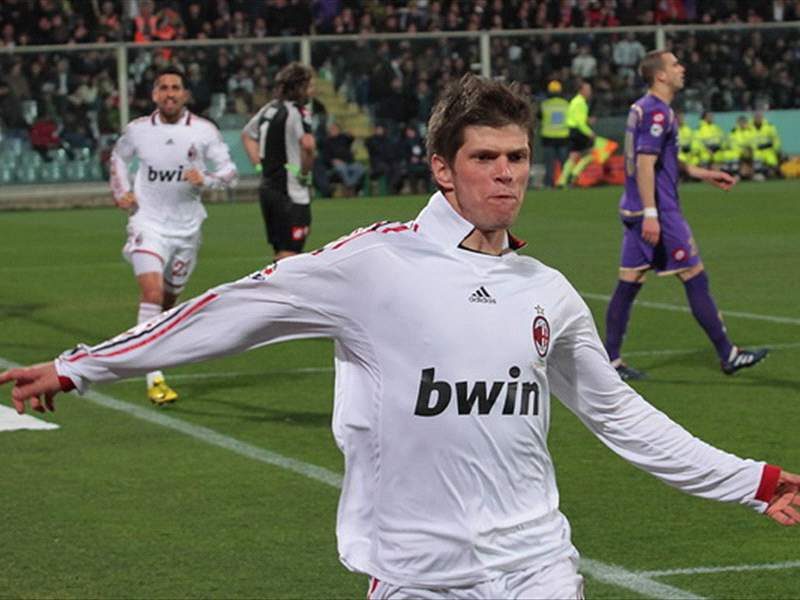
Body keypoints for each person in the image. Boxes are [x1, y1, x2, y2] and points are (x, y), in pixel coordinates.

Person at [3, 74, 799, 600]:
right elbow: (227, 312)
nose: (507, 173)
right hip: (418, 575)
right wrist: (79, 368)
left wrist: (754, 481)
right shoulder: (374, 264)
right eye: (485, 157)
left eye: (517, 157)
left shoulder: (547, 291)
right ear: (443, 169)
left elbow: (618, 415)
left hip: (539, 567)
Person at [603, 50, 768, 381]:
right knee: (694, 274)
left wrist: (703, 173)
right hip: (659, 211)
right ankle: (729, 355)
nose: (682, 68)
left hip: (634, 207)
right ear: (660, 75)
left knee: (629, 281)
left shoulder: (643, 108)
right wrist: (652, 213)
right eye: (675, 64)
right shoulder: (657, 112)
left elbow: (661, 158)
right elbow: (646, 164)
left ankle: (611, 363)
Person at [109, 66, 238, 405]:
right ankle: (154, 377)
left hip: (187, 230)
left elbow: (230, 173)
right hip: (147, 224)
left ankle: (149, 350)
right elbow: (118, 158)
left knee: (167, 304)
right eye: (163, 88)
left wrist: (206, 180)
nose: (169, 93)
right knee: (151, 293)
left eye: (175, 88)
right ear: (154, 94)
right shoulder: (138, 130)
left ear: (185, 94)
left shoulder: (204, 131)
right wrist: (121, 191)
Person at [241, 62, 316, 261]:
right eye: (309, 86)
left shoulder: (269, 109)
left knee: (281, 252)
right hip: (290, 192)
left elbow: (247, 135)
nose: (312, 91)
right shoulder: (299, 112)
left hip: (268, 188)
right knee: (291, 253)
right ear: (299, 87)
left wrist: (259, 165)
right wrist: (305, 174)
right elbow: (308, 145)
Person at [556, 80, 595, 187]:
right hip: (579, 131)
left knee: (573, 156)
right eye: (588, 89)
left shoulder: (574, 101)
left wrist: (587, 120)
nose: (590, 92)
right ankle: (575, 173)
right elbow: (580, 123)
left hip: (572, 131)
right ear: (581, 90)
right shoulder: (581, 103)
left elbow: (575, 117)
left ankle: (562, 180)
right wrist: (590, 132)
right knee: (590, 155)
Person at [538, 80, 569, 188]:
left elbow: (539, 117)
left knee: (549, 164)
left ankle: (549, 184)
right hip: (563, 137)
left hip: (548, 138)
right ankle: (565, 183)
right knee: (564, 163)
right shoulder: (566, 104)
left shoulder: (544, 105)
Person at [750, 110, 782, 181]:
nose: (758, 118)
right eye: (756, 117)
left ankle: (772, 173)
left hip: (768, 150)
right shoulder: (749, 127)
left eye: (759, 117)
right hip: (757, 151)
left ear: (762, 117)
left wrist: (775, 149)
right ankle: (760, 174)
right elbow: (748, 140)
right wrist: (753, 147)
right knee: (757, 164)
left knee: (773, 164)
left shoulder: (769, 126)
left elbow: (775, 138)